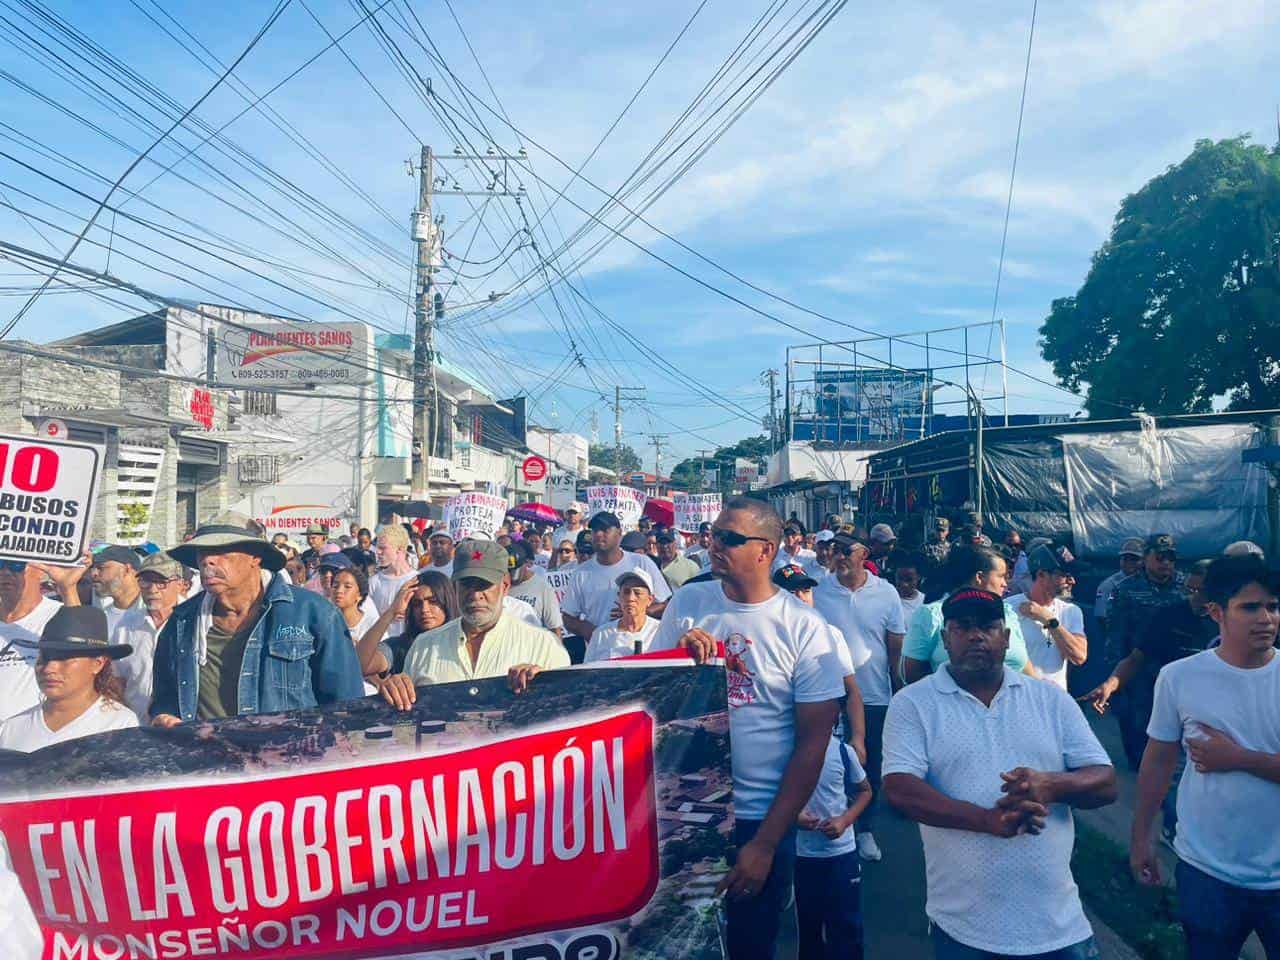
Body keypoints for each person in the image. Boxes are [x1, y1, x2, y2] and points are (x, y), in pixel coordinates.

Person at [651, 497, 844, 960]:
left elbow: (812, 746)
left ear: (766, 550)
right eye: (713, 535)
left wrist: (765, 844)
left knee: (749, 944)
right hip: (684, 812)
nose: (714, 545)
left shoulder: (805, 628)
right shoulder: (689, 602)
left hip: (760, 820)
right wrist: (676, 658)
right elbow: (650, 695)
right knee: (674, 944)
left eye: (730, 538)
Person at [883, 588, 1117, 960]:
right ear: (945, 639)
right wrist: (987, 820)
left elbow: (1105, 781)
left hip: (1059, 925)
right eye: (962, 627)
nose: (976, 635)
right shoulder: (913, 703)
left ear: (1007, 638)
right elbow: (900, 790)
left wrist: (1051, 785)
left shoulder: (1050, 700)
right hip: (965, 927)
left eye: (989, 626)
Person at [1129, 555, 1280, 960]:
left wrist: (1239, 758)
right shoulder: (1180, 677)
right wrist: (1142, 835)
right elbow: (1158, 759)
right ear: (1216, 613)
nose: (1266, 617)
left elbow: (1233, 758)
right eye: (1250, 607)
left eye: (1273, 605)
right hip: (1207, 870)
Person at [150, 512, 364, 725]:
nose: (208, 560)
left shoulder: (314, 613)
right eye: (202, 552)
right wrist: (162, 717)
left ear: (255, 557)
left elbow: (348, 706)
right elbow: (164, 699)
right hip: (205, 756)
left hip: (287, 755)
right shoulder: (182, 622)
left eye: (221, 551)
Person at [1081, 560, 1215, 844]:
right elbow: (1136, 658)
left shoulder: (1232, 620)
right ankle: (1174, 828)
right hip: (1172, 709)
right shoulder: (1169, 616)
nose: (1200, 598)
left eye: (1207, 592)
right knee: (1172, 772)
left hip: (1216, 715)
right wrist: (1111, 684)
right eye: (1196, 590)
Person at [812, 533, 906, 862]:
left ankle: (864, 829)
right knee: (830, 764)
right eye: (833, 550)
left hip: (875, 694)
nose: (838, 556)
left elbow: (895, 646)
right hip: (829, 695)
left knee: (868, 766)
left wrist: (898, 688)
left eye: (846, 550)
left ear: (863, 553)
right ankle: (831, 825)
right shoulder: (819, 591)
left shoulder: (886, 592)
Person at [380, 539, 569, 700]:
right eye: (467, 585)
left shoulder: (544, 646)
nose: (475, 594)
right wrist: (396, 688)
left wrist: (544, 685)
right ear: (455, 587)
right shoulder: (424, 646)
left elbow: (567, 714)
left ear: (504, 587)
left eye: (484, 585)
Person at [0, 606, 138, 751]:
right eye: (44, 657)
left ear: (97, 664)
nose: (49, 668)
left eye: (64, 658)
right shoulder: (11, 730)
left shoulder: (120, 726)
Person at [901, 545, 1036, 685]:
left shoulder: (1007, 613)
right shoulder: (932, 615)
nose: (1005, 584)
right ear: (979, 577)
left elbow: (1026, 668)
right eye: (1001, 576)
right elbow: (911, 675)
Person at [1108, 533, 1187, 769]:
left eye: (1171, 558)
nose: (1166, 563)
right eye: (1160, 557)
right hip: (1139, 668)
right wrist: (1116, 677)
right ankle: (1145, 767)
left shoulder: (1186, 586)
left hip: (1179, 666)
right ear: (1146, 558)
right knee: (1139, 720)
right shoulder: (1126, 589)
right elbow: (1115, 634)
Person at [795, 720, 872, 960]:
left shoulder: (842, 752)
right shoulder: (789, 754)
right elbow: (776, 796)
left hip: (842, 855)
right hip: (805, 855)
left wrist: (845, 820)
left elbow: (865, 790)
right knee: (810, 929)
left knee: (847, 927)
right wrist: (794, 816)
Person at [775, 563, 866, 764]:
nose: (801, 597)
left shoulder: (831, 634)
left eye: (806, 590)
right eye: (791, 592)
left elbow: (852, 691)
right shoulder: (767, 637)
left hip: (830, 740)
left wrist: (858, 738)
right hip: (781, 743)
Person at [560, 512, 670, 642]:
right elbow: (568, 617)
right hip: (600, 654)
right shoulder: (581, 573)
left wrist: (637, 611)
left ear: (619, 533)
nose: (599, 534)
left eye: (605, 530)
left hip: (641, 648)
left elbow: (666, 605)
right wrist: (592, 632)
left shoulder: (641, 562)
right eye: (595, 530)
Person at [0, 556, 85, 723]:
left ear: (39, 570)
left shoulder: (59, 614)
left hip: (38, 737)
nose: (4, 572)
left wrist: (68, 588)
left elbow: (83, 652)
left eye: (16, 565)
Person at [111, 552, 190, 721]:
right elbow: (117, 680)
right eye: (145, 581)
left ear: (180, 584)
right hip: (136, 727)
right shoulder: (126, 624)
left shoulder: (195, 620)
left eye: (161, 582)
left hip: (183, 727)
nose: (152, 589)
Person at [1004, 544, 1088, 690]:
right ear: (1041, 575)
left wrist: (1048, 618)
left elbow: (1079, 656)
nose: (1072, 581)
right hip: (1016, 698)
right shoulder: (1008, 608)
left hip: (1054, 702)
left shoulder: (1071, 611)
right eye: (1065, 575)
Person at [329, 564, 389, 687]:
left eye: (347, 587)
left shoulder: (373, 625)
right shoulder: (323, 622)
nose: (339, 590)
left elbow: (381, 671)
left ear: (360, 595)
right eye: (335, 585)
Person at [583, 569, 661, 662]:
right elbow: (588, 671)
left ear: (650, 600)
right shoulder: (601, 634)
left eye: (637, 593)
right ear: (619, 597)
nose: (630, 598)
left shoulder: (659, 631)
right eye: (626, 592)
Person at [368, 523, 421, 640]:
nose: (378, 552)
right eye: (377, 548)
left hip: (409, 645)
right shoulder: (373, 582)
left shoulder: (417, 579)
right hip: (381, 647)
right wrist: (388, 615)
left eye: (383, 548)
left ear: (399, 549)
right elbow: (367, 618)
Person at [506, 540, 564, 635]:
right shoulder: (498, 586)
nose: (512, 577)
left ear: (526, 563)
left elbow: (554, 627)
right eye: (508, 571)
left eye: (515, 572)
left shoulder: (543, 587)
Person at [1094, 538, 1144, 634]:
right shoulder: (1107, 586)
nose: (1129, 563)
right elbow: (1102, 618)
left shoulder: (1151, 581)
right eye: (1125, 559)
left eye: (1134, 559)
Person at [90, 545, 144, 632]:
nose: (93, 573)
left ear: (126, 569)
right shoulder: (102, 618)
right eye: (92, 568)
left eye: (101, 568)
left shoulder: (152, 612)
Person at [891, 552, 926, 623]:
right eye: (900, 578)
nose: (904, 584)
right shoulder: (887, 599)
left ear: (919, 577)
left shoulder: (925, 602)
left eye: (909, 580)